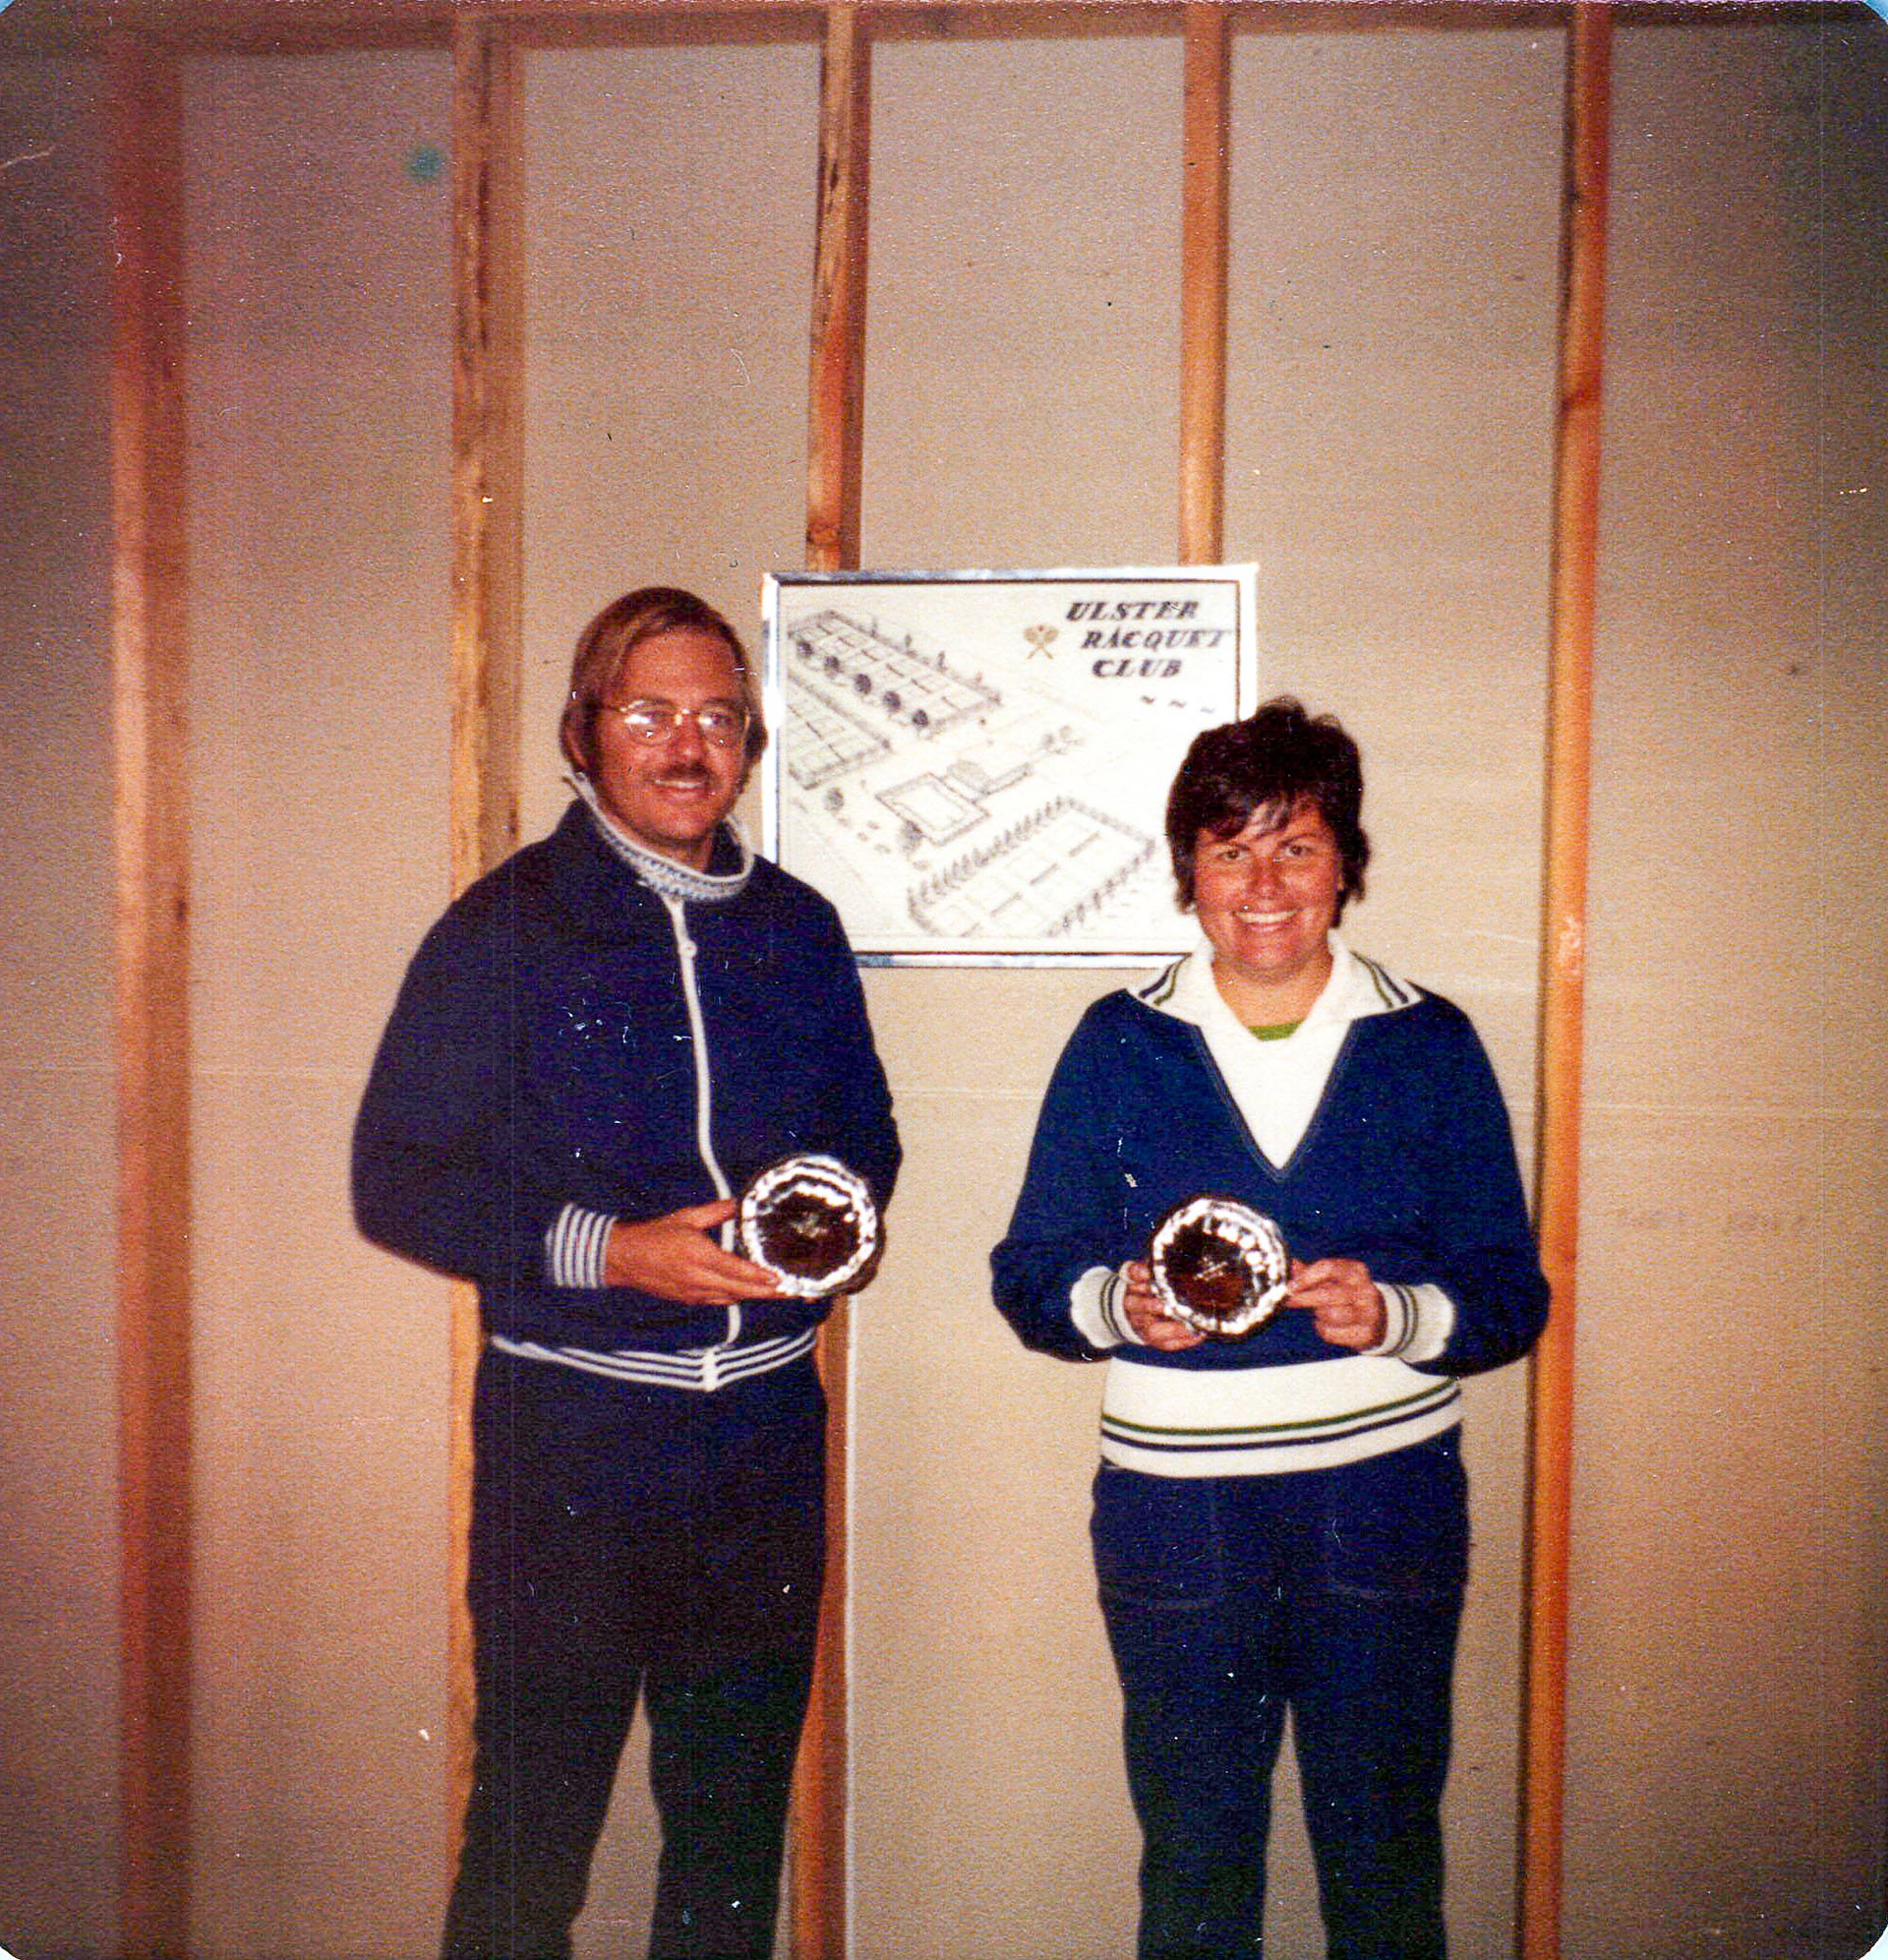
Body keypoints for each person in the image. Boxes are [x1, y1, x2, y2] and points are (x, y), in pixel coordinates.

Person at [353, 586, 900, 1960]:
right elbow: (397, 1176)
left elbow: (868, 1138)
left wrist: (818, 1230)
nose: (687, 745)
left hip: (762, 1448)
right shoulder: (504, 927)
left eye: (718, 715)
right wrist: (613, 1252)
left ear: (750, 741)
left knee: (730, 1846)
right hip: (572, 1449)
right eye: (650, 713)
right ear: (582, 732)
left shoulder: (799, 928)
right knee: (531, 1842)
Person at [991, 699, 1548, 1960]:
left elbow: (1512, 1291)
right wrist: (1115, 1303)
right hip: (1178, 1514)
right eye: (1229, 849)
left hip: (1384, 1502)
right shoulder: (1120, 1041)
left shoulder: (1429, 1041)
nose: (1263, 885)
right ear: (1188, 870)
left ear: (1346, 864)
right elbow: (1027, 1270)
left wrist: (1398, 1313)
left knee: (1386, 1864)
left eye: (1296, 847)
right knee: (1195, 1865)